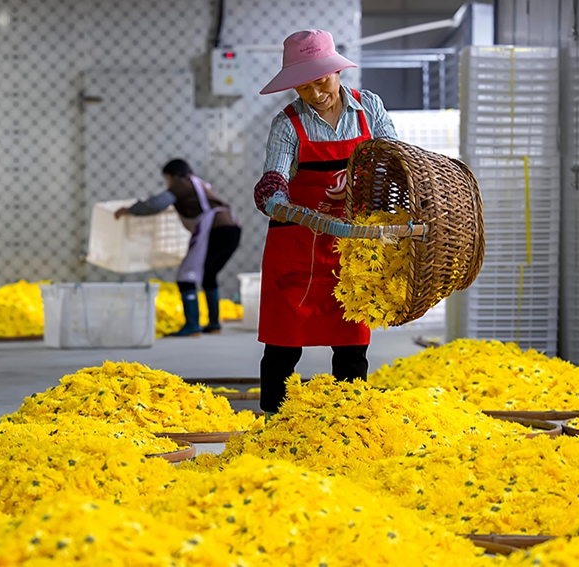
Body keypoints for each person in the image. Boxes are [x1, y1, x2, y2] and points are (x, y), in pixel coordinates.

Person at [254, 29, 398, 417]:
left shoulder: (369, 108)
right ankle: (274, 420)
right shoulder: (287, 124)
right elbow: (275, 179)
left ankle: (347, 419)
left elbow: (393, 159)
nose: (316, 94)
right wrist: (278, 200)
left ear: (337, 72)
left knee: (352, 344)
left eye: (322, 81)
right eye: (303, 88)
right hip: (298, 245)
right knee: (284, 345)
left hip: (354, 246)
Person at [115, 159, 241, 336]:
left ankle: (192, 325)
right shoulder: (198, 184)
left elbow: (155, 204)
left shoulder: (182, 185)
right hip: (232, 229)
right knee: (208, 274)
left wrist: (130, 209)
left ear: (172, 177)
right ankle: (214, 324)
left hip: (217, 230)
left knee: (186, 276)